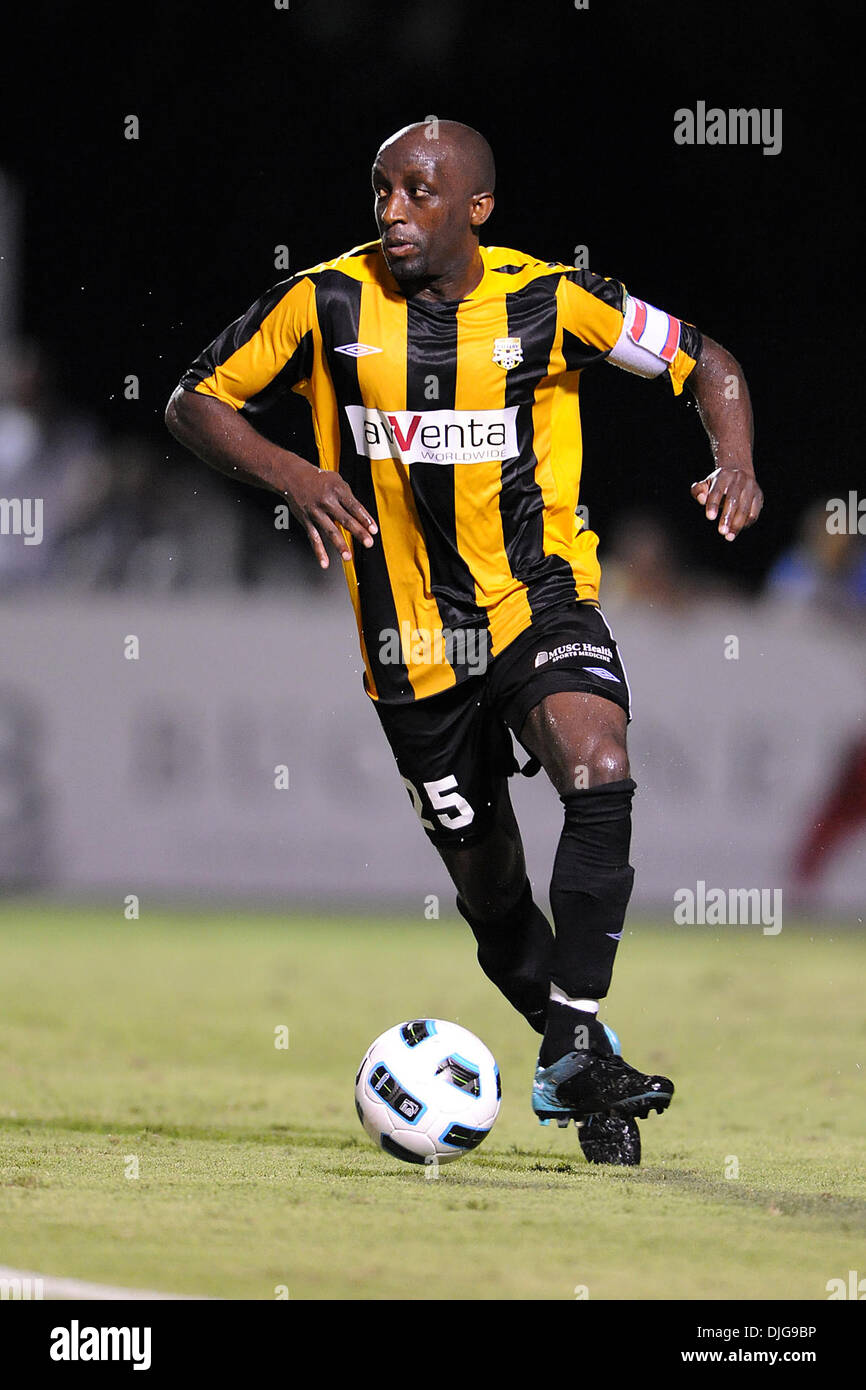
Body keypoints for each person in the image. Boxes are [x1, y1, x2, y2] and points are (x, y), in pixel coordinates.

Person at [166, 120, 763, 1165]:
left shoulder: (553, 299)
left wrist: (735, 461)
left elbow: (705, 360)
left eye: (415, 192)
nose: (390, 211)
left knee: (600, 764)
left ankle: (574, 1039)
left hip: (537, 599)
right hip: (409, 648)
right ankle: (579, 1059)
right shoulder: (324, 302)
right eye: (379, 191)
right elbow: (192, 400)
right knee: (492, 898)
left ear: (474, 208)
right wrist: (296, 476)